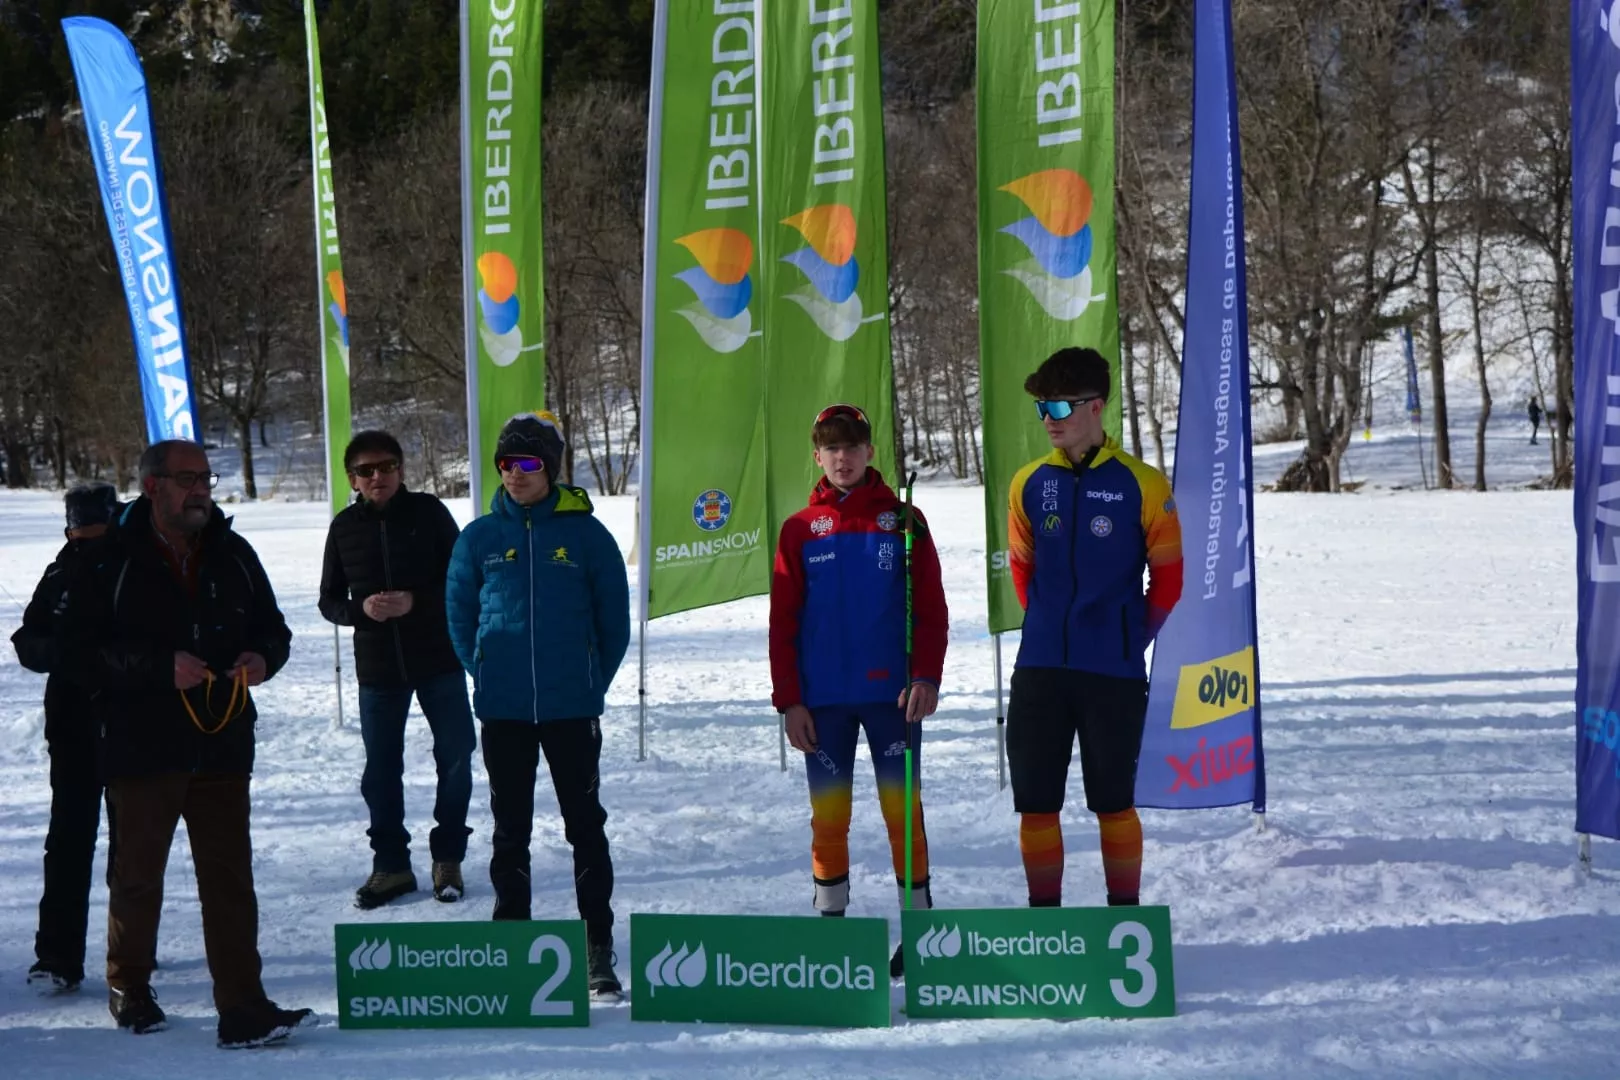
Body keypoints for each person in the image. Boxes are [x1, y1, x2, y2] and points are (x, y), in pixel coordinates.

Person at [59, 440, 313, 1048]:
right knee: (138, 876)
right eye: (187, 479)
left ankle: (243, 1007)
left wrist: (264, 657)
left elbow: (275, 630)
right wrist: (156, 668)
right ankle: (129, 986)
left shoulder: (233, 551)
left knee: (229, 880)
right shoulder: (108, 557)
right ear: (152, 487)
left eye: (206, 478)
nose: (201, 490)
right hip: (141, 745)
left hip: (223, 739)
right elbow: (70, 653)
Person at [445, 411, 630, 1001]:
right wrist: (485, 670)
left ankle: (596, 945)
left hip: (571, 707)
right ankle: (512, 944)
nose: (515, 473)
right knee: (509, 831)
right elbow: (459, 618)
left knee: (586, 827)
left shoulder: (587, 536)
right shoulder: (478, 538)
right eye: (505, 463)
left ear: (550, 467)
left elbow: (614, 623)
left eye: (526, 462)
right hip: (503, 711)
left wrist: (589, 681)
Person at [770, 403, 947, 979]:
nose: (841, 457)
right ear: (817, 456)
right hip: (823, 704)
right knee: (829, 819)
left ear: (870, 452)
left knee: (902, 814)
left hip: (894, 698)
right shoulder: (799, 529)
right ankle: (833, 934)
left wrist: (926, 675)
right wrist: (789, 700)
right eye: (831, 448)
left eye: (851, 447)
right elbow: (783, 622)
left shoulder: (903, 520)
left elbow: (931, 609)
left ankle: (918, 931)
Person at [1005, 347, 1183, 909]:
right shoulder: (1028, 483)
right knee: (1036, 804)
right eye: (1042, 408)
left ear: (1097, 406)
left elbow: (1169, 582)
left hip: (1113, 673)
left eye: (1060, 406)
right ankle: (1045, 921)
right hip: (1040, 671)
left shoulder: (1144, 484)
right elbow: (1022, 571)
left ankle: (1122, 918)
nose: (1050, 419)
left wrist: (1127, 638)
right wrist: (1047, 628)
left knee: (1114, 803)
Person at [319, 430, 475, 909]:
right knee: (381, 771)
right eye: (365, 470)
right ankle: (391, 866)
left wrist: (415, 601)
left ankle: (448, 858)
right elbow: (329, 601)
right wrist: (361, 609)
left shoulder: (430, 513)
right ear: (352, 479)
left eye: (386, 466)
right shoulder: (343, 528)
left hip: (438, 659)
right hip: (379, 669)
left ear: (401, 470)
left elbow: (462, 582)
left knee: (456, 757)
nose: (377, 476)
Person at [12, 482, 121, 994]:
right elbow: (27, 637)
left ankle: (131, 950)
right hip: (72, 722)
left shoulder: (137, 566)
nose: (84, 540)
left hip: (130, 722)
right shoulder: (59, 571)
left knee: (132, 845)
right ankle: (57, 956)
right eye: (77, 532)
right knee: (68, 840)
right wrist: (56, 654)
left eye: (94, 531)